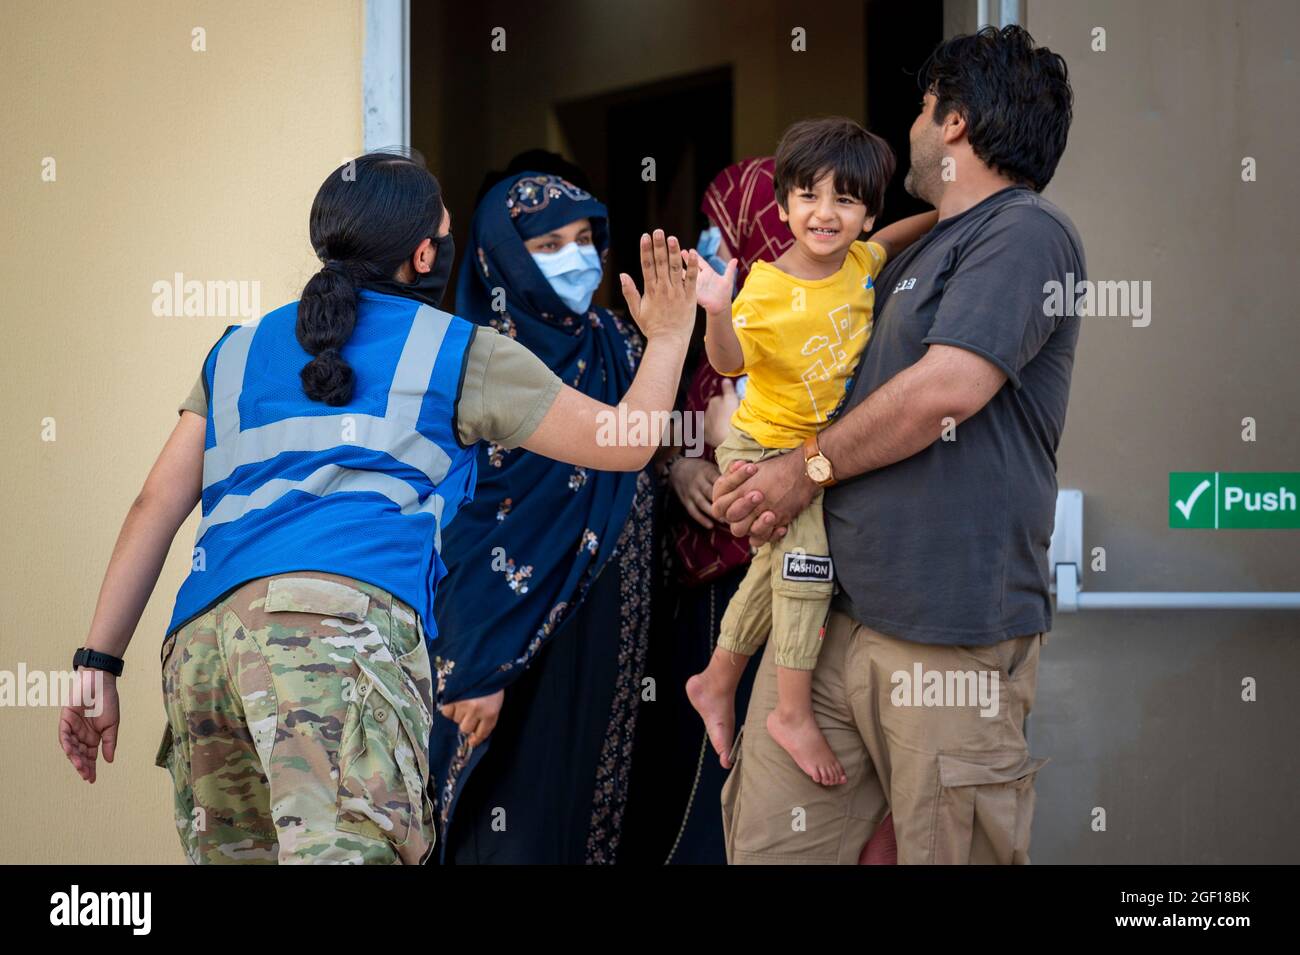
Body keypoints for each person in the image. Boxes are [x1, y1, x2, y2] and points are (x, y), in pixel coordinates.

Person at [56, 151, 699, 864]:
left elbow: (155, 504)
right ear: (425, 253)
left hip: (202, 649)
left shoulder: (237, 348)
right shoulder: (455, 350)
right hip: (334, 641)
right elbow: (627, 440)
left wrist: (97, 663)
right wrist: (670, 335)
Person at [713, 25, 1082, 863]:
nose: (913, 124)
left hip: (945, 634)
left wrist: (804, 469)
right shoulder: (921, 244)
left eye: (922, 106)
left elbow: (948, 387)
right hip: (832, 619)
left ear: (953, 121)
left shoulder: (1024, 232)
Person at [430, 170, 671, 864]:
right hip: (505, 647)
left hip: (606, 631)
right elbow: (472, 525)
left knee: (593, 815)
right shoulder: (482, 362)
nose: (579, 256)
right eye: (550, 244)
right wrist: (480, 665)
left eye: (586, 237)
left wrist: (682, 464)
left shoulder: (620, 339)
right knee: (515, 824)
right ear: (504, 258)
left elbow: (646, 441)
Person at [687, 118, 936, 786]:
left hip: (805, 447)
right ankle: (790, 711)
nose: (826, 213)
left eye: (846, 200)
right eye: (809, 196)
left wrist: (950, 215)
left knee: (773, 574)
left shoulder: (861, 260)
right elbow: (728, 360)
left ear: (867, 211)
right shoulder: (766, 286)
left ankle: (716, 678)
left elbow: (886, 243)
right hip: (766, 446)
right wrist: (716, 307)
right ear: (783, 203)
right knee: (807, 570)